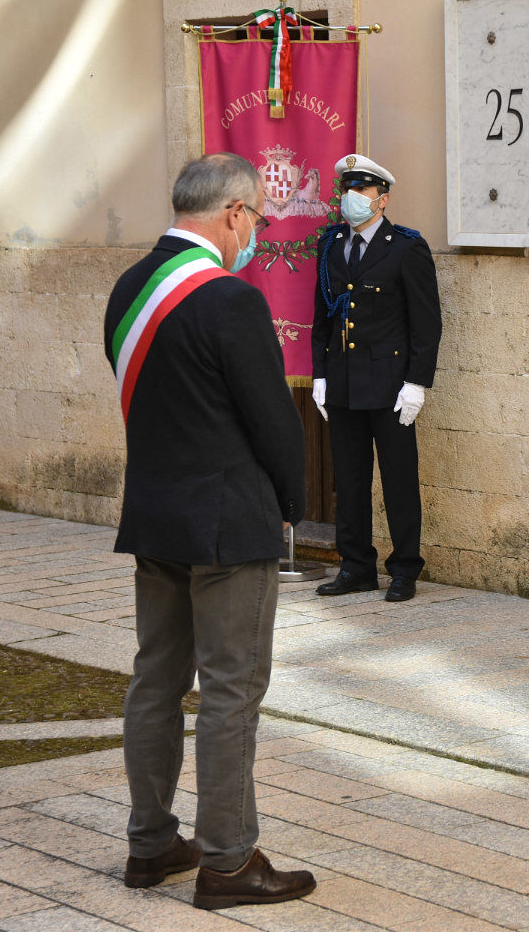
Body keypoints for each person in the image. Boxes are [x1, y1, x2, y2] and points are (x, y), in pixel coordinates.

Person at [104, 152, 314, 908]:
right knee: (231, 691)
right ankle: (229, 862)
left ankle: (151, 843)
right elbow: (272, 423)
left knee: (155, 680)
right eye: (256, 218)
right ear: (232, 214)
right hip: (228, 525)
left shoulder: (130, 290)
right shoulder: (229, 299)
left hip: (155, 519)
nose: (255, 233)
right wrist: (290, 502)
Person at [310, 154, 442, 602]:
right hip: (345, 382)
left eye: (361, 191)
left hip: (390, 385)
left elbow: (427, 322)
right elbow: (322, 319)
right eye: (346, 190)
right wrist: (321, 375)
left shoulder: (406, 247)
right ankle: (356, 566)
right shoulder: (331, 245)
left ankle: (404, 569)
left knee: (398, 479)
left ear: (382, 200)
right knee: (348, 480)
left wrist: (416, 383)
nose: (350, 198)